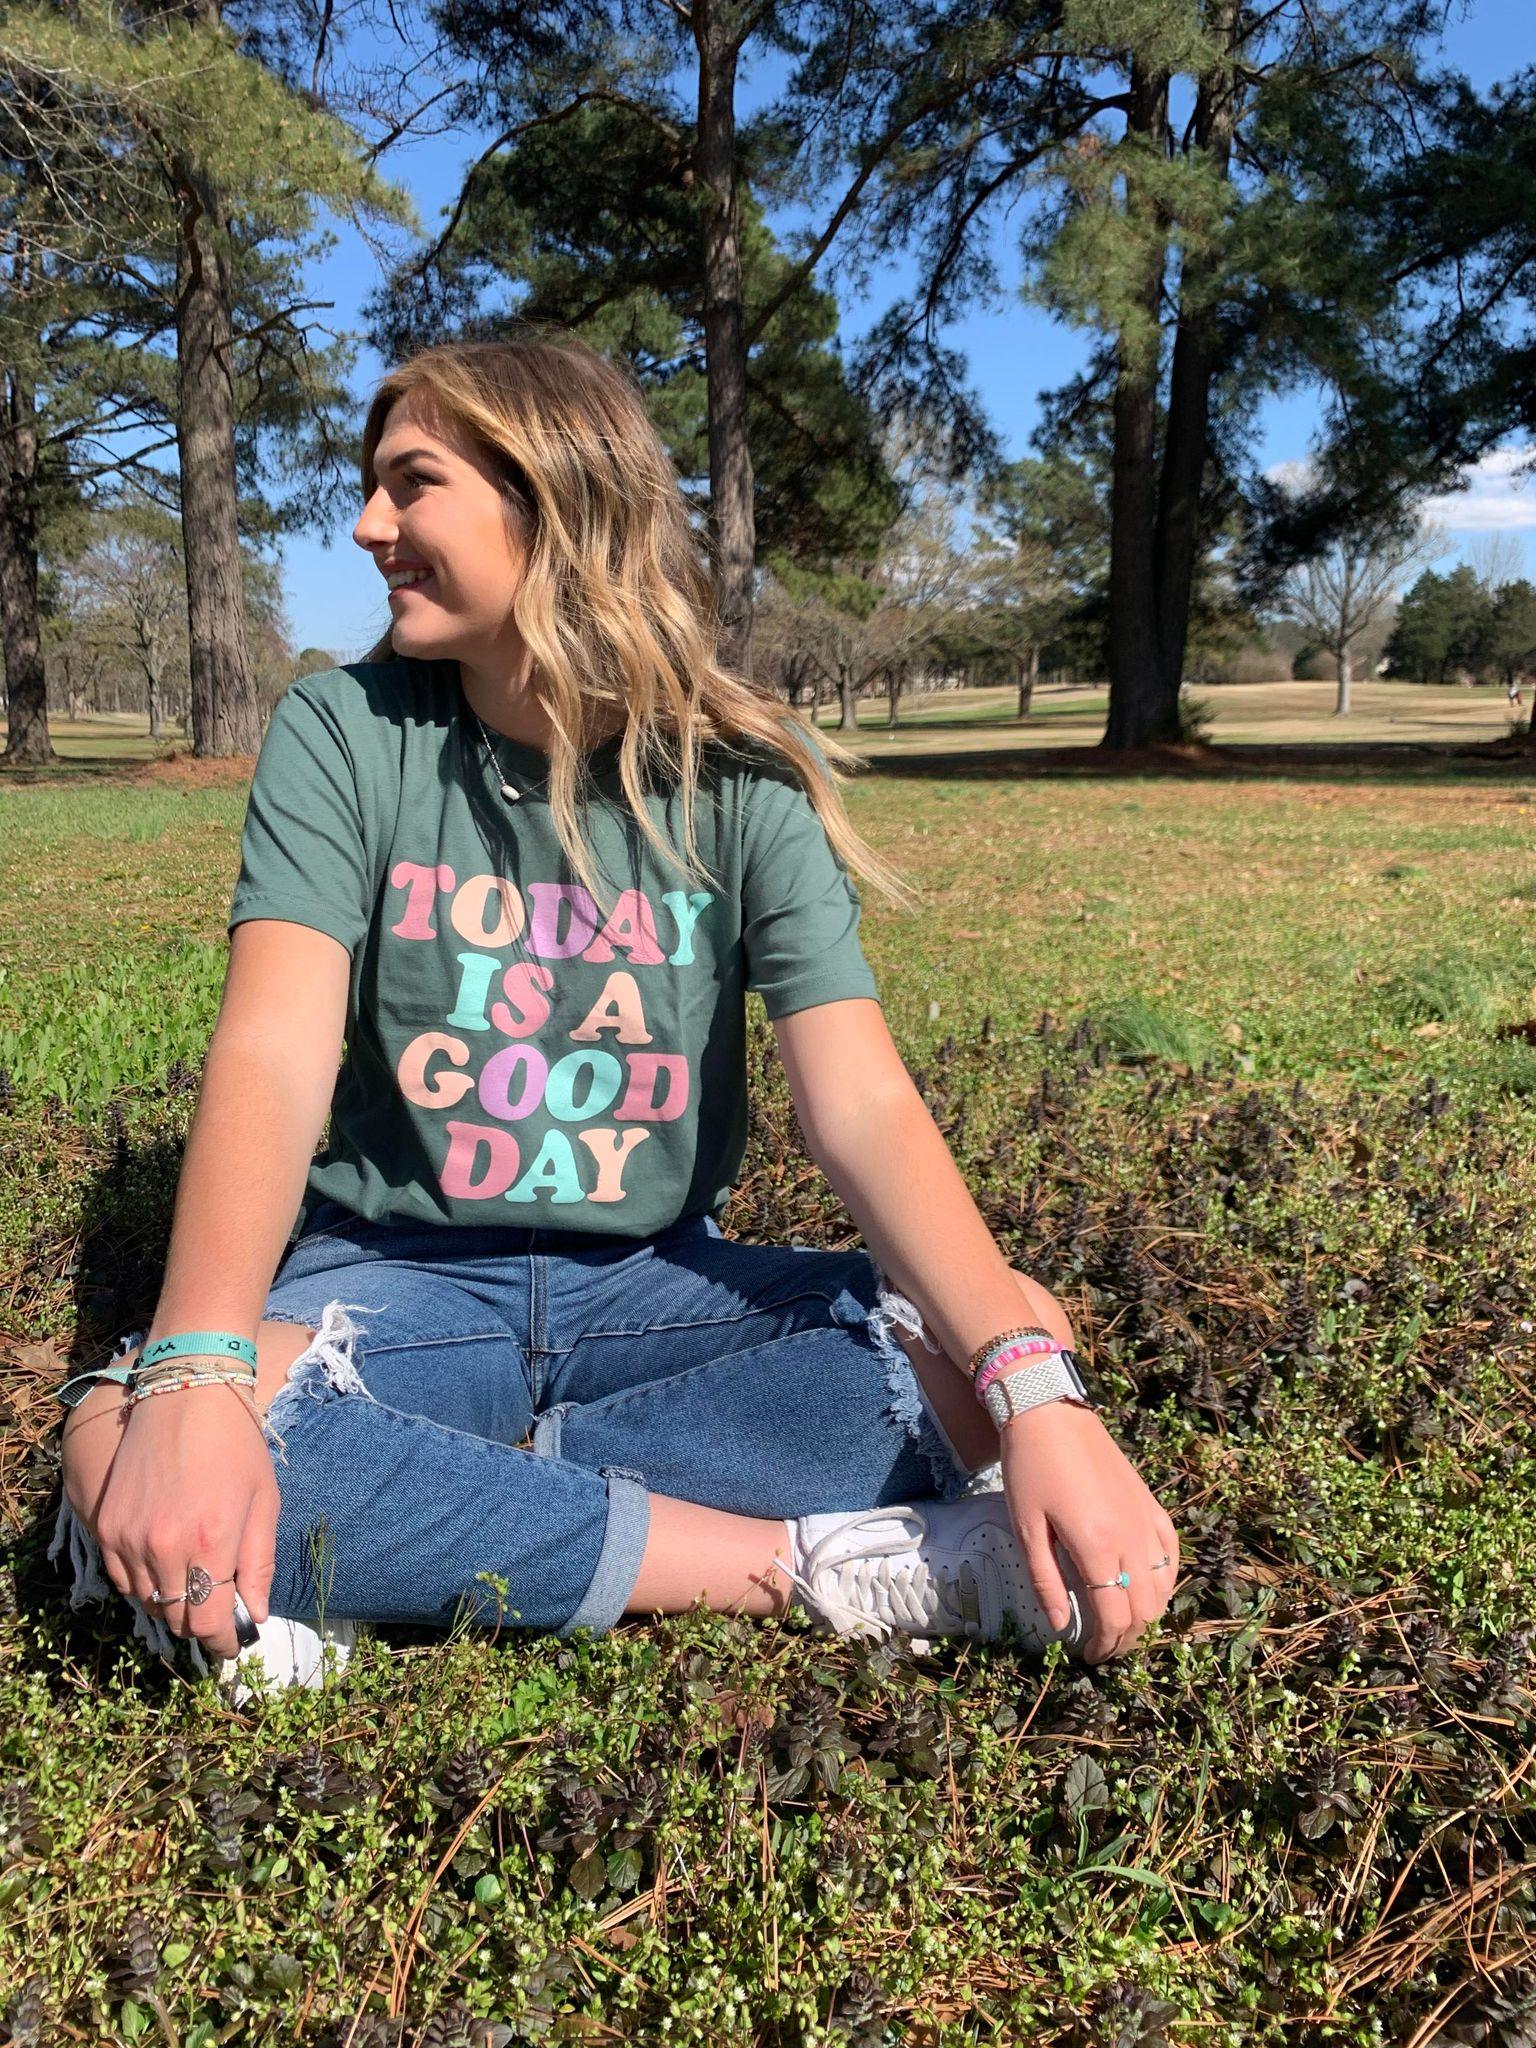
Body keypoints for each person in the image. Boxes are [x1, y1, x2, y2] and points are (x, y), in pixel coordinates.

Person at [52, 333, 1179, 1698]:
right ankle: (816, 1568)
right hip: (395, 1291)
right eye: (374, 486)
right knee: (130, 1435)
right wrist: (193, 1373)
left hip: (656, 1292)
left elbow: (861, 1103)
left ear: (558, 504)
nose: (368, 525)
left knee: (1003, 1336)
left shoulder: (744, 777)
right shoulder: (343, 734)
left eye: (412, 485)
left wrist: (1033, 1394)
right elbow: (275, 1053)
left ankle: (413, 1531)